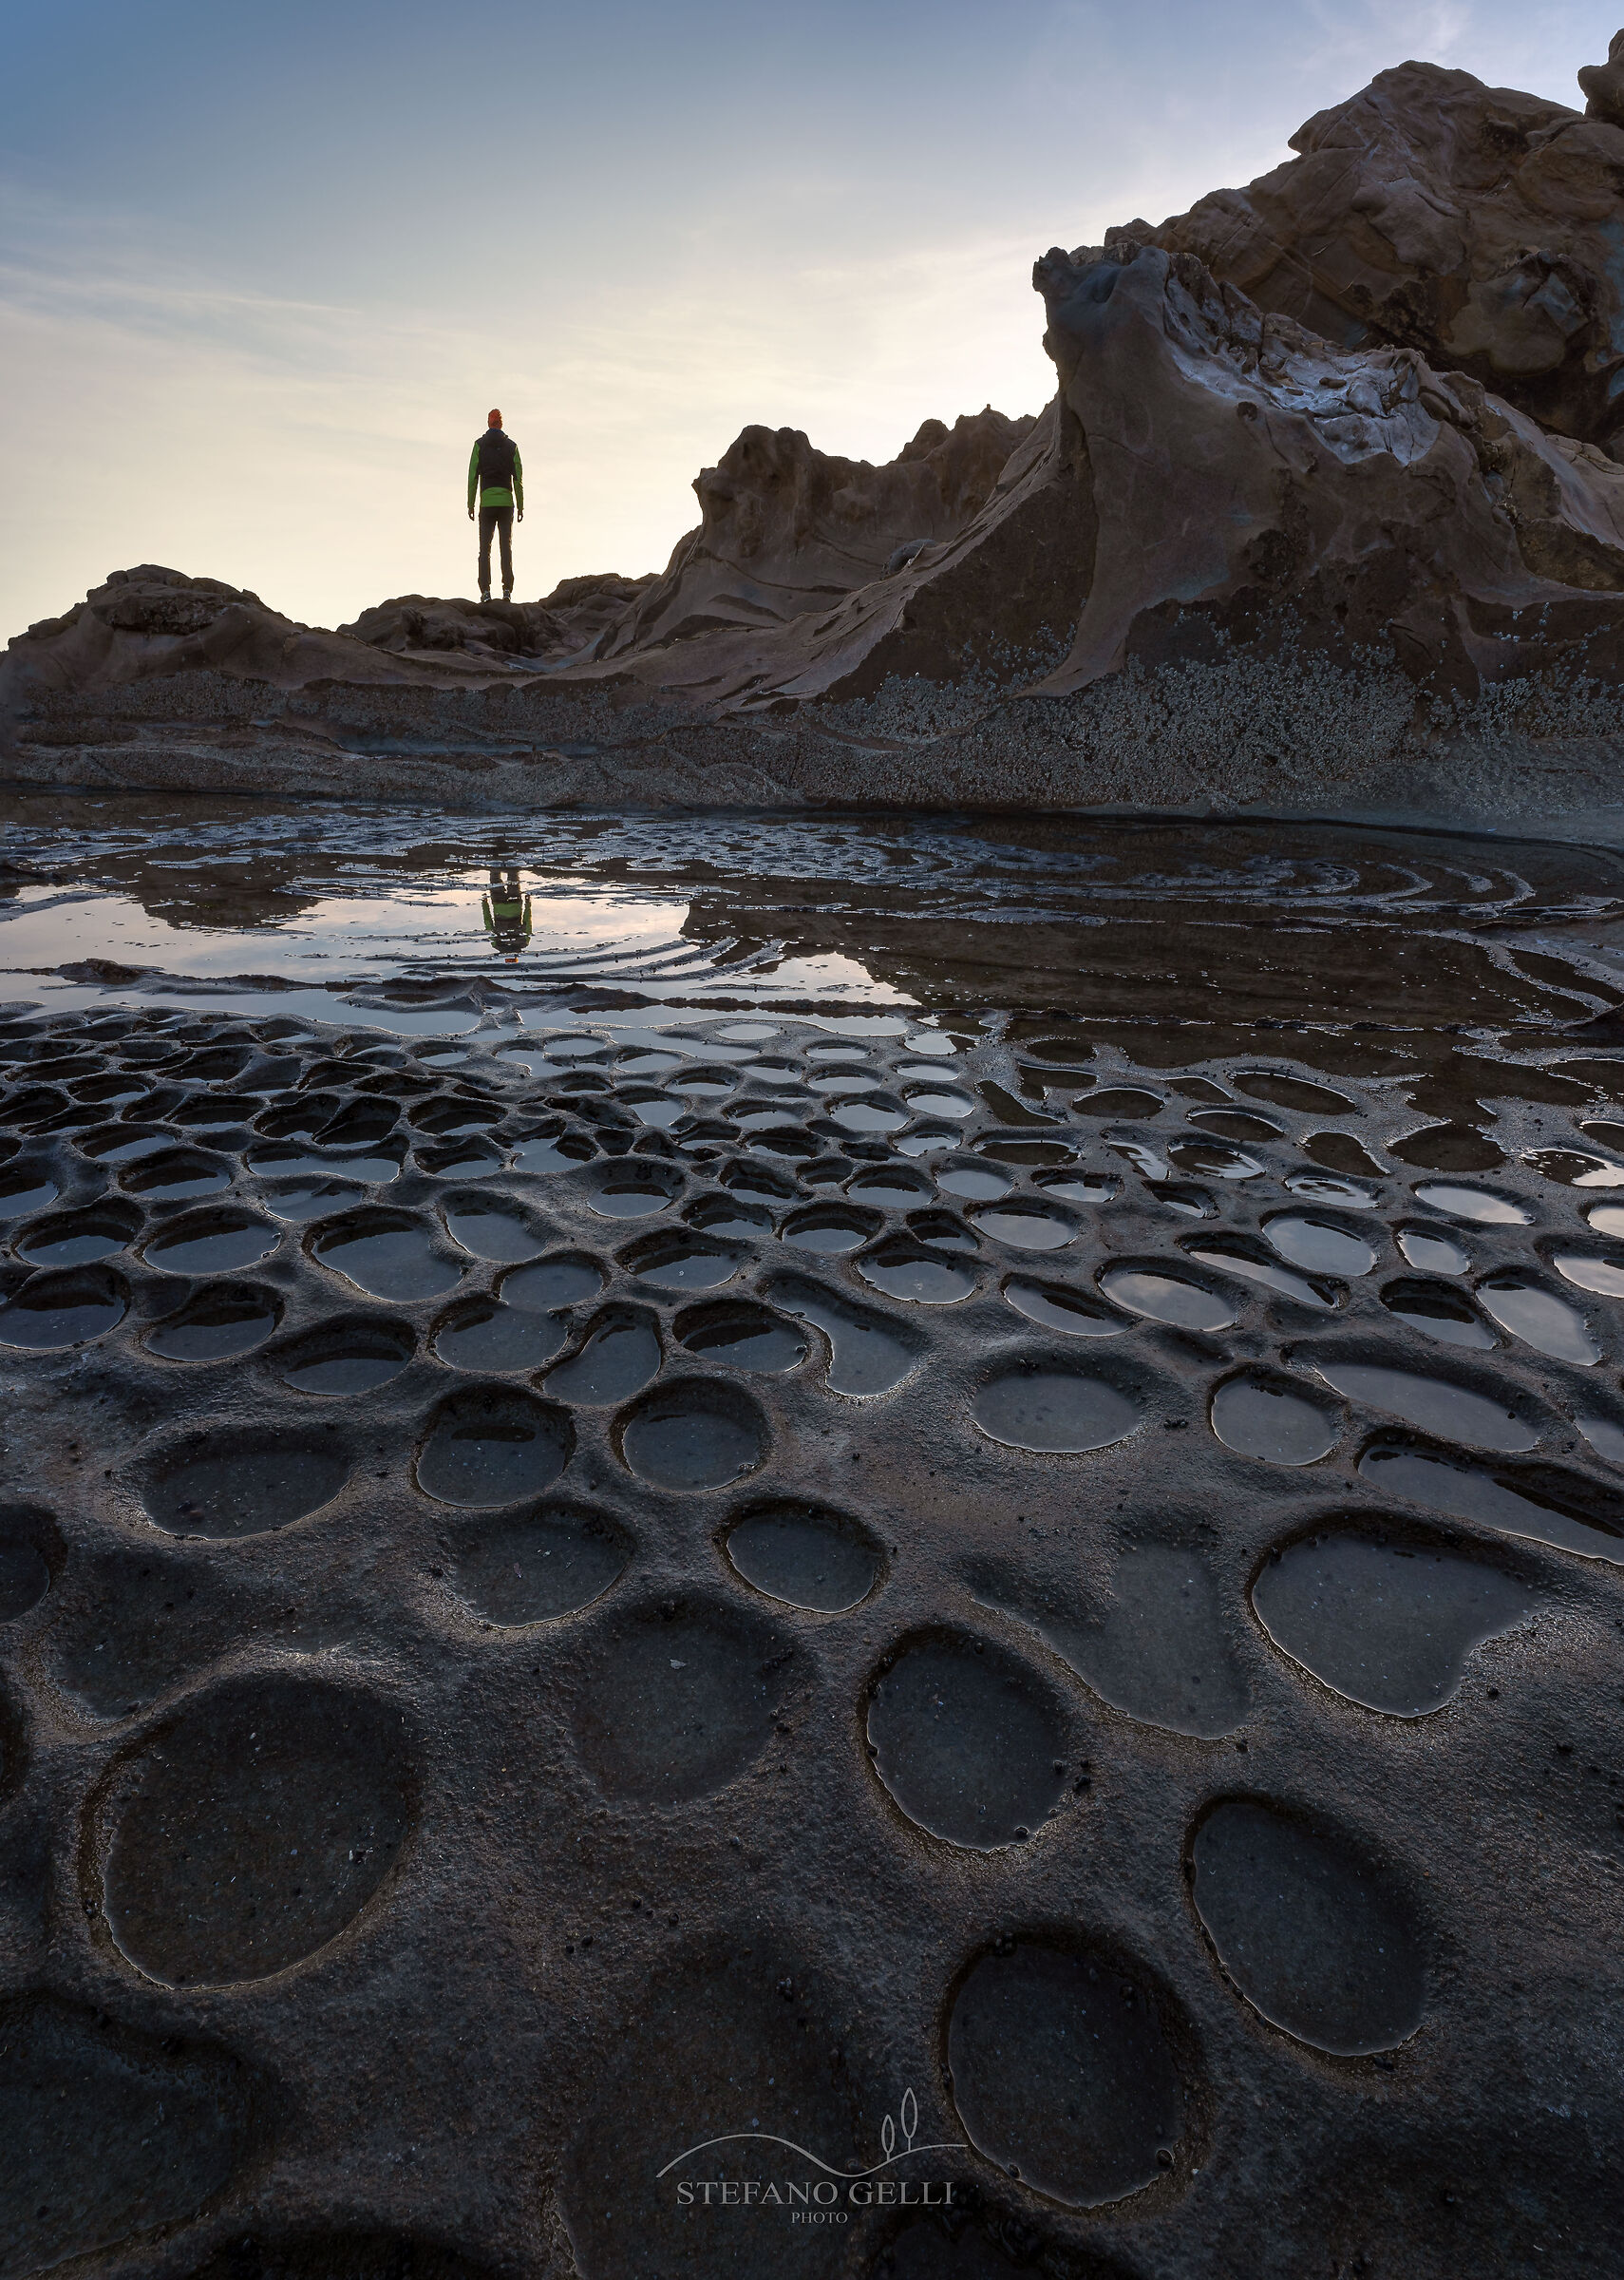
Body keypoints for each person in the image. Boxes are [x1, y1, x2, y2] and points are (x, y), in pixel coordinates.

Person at [467, 408, 523, 602]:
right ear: (501, 424)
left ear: (488, 423)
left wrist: (470, 504)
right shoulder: (512, 447)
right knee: (505, 547)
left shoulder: (479, 446)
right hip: (506, 503)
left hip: (487, 503)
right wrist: (521, 506)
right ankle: (507, 590)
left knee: (485, 549)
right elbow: (518, 479)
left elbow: (472, 477)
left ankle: (485, 591)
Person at [482, 865, 532, 959]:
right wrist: (485, 904)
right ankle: (495, 856)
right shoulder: (496, 944)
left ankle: (510, 858)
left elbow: (527, 922)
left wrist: (528, 904)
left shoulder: (524, 942)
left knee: (513, 876)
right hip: (498, 903)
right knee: (495, 877)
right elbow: (488, 923)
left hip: (515, 904)